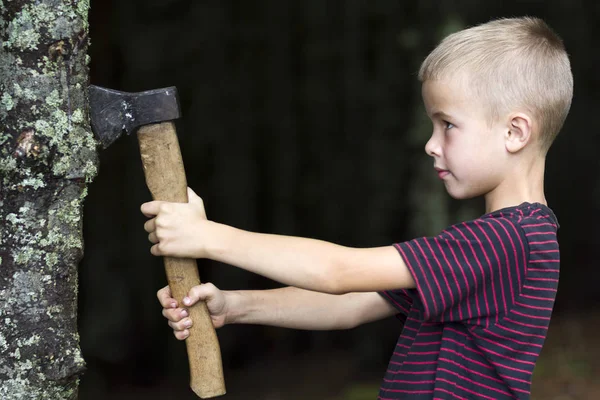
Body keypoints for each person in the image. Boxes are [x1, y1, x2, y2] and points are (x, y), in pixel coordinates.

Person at [142, 16, 572, 399]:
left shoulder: (507, 240)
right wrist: (235, 306)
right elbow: (353, 303)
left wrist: (209, 237)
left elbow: (338, 272)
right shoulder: (498, 243)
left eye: (448, 125)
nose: (430, 144)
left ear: (515, 132)